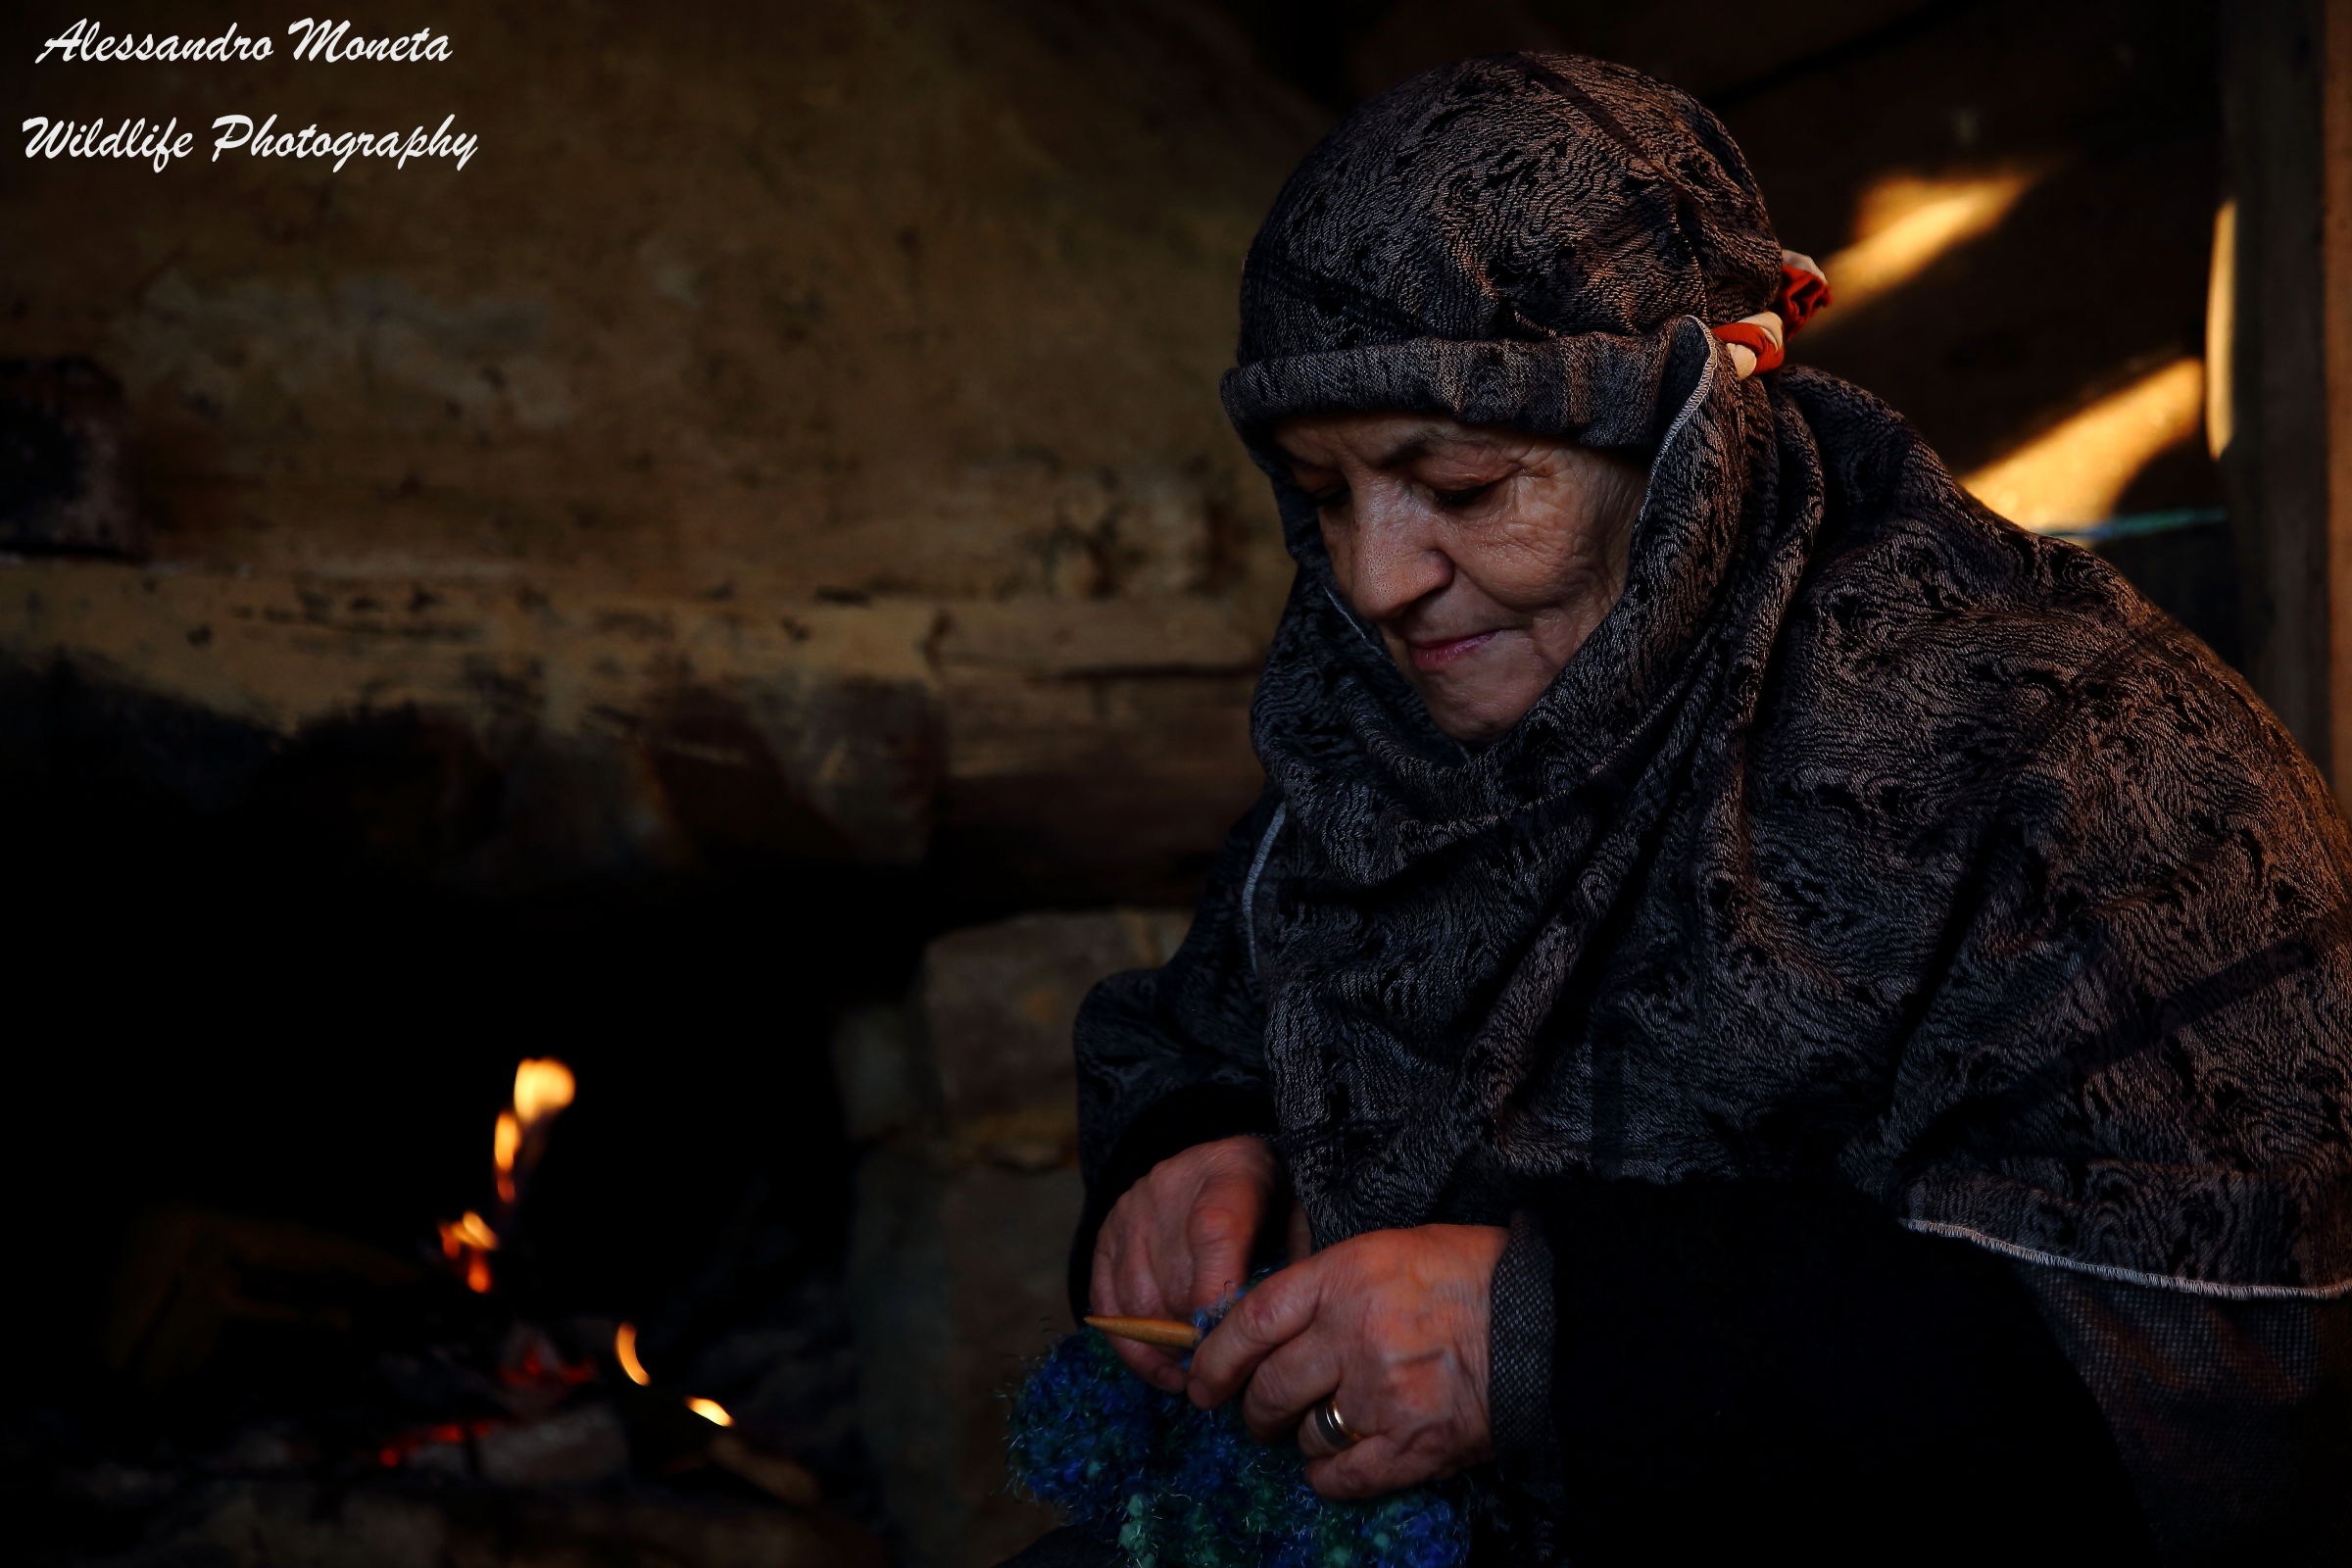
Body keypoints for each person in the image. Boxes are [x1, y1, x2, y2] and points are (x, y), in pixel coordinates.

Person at [1018, 52, 2352, 1566]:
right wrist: (1195, 1142)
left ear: (1691, 435)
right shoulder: (1376, 718)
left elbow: (2230, 1383)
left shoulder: (2079, 765)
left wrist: (1543, 1341)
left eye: (1456, 484)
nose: (1376, 580)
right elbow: (1217, 1009)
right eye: (1325, 497)